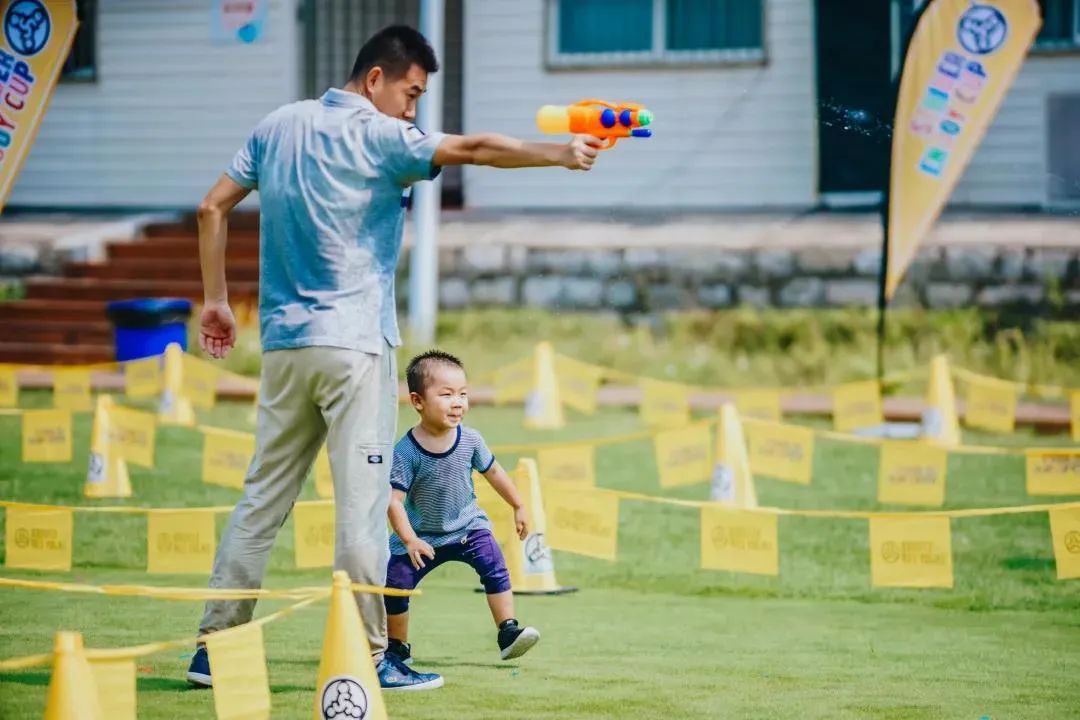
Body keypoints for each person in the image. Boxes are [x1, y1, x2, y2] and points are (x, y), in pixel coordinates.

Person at [186, 24, 601, 692]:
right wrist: (559, 154)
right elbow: (474, 149)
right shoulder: (383, 136)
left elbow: (211, 208)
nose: (413, 110)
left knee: (260, 502)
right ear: (376, 79)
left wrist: (216, 300)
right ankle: (373, 657)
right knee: (361, 510)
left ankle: (212, 650)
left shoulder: (276, 126)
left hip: (285, 347)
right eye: (411, 94)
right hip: (354, 347)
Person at [384, 350, 539, 667]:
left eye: (463, 394)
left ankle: (508, 631)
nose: (458, 403)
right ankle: (396, 648)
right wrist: (410, 540)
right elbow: (393, 501)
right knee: (395, 585)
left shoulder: (471, 440)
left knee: (494, 566)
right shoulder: (405, 451)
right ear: (417, 401)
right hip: (421, 536)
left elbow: (495, 473)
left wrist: (519, 505)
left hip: (468, 528)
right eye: (446, 395)